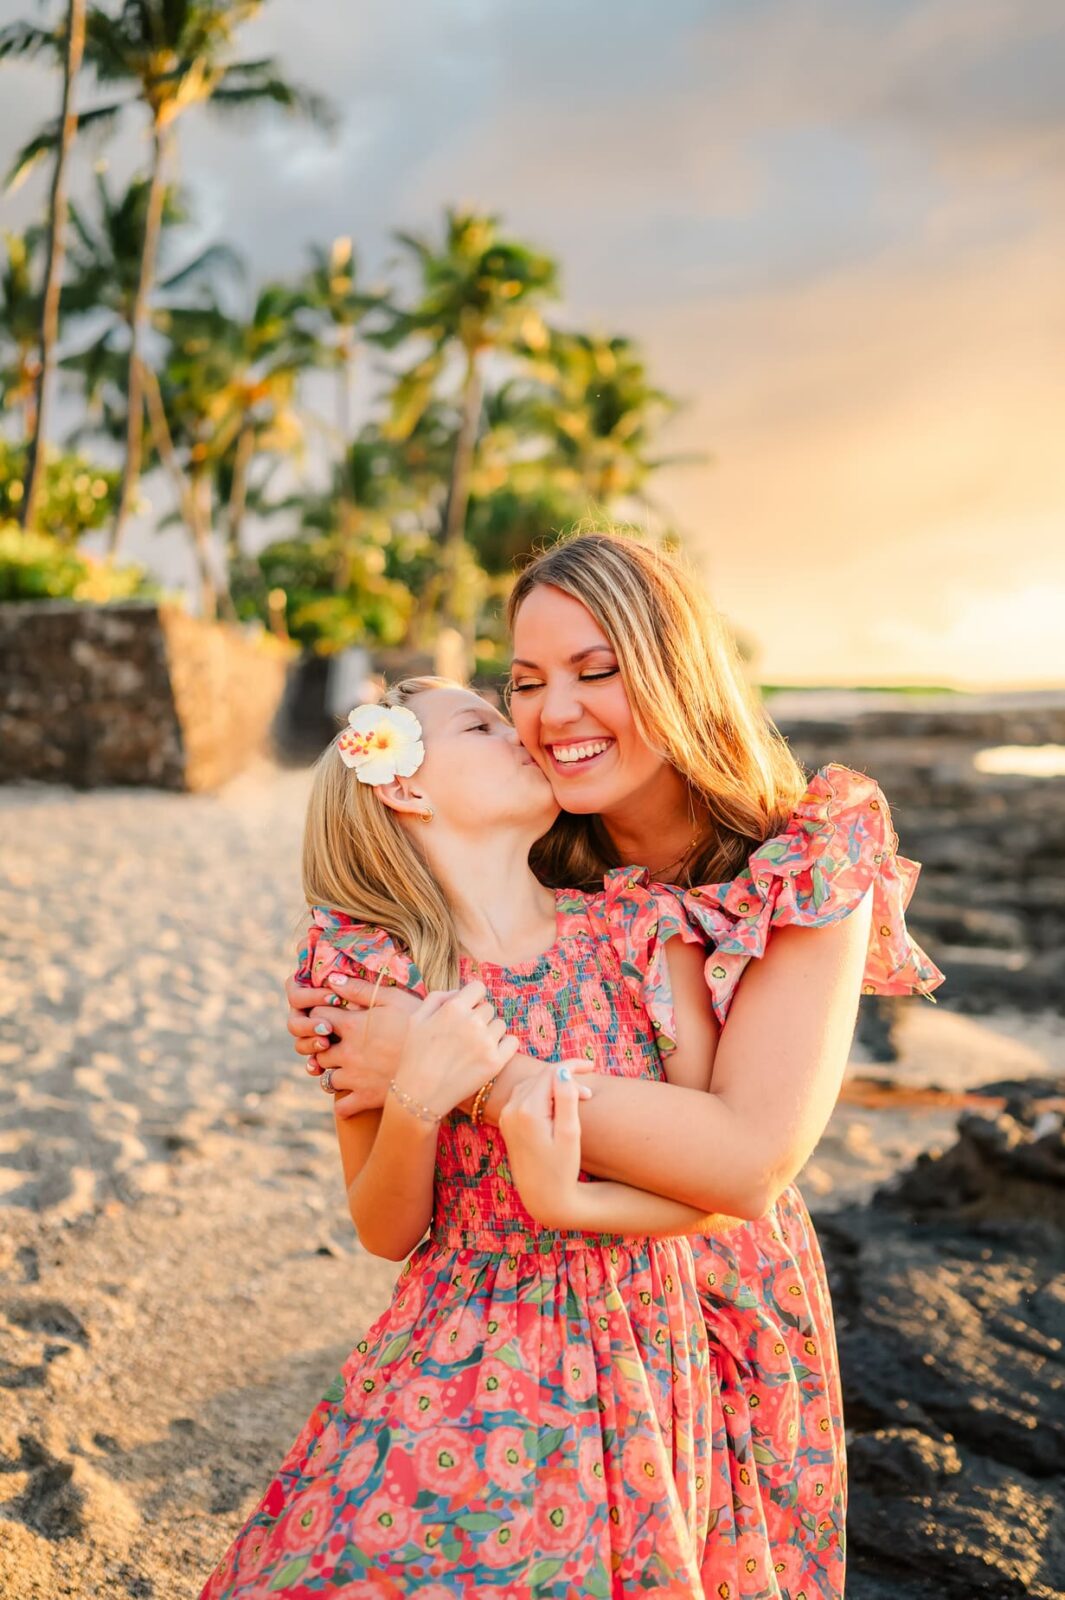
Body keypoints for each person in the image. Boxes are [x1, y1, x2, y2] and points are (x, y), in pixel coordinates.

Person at [286, 530, 944, 1600]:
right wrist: (354, 1018)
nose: (550, 715)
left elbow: (747, 1160)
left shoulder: (807, 860)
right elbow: (409, 921)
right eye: (526, 682)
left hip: (709, 1297)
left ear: (675, 669)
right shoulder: (534, 842)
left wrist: (464, 1065)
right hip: (504, 1318)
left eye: (599, 671)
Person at [203, 676, 757, 1599]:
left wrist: (568, 1201)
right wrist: (420, 1096)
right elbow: (385, 1232)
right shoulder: (372, 977)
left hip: (640, 1335)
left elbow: (718, 1186)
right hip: (456, 1340)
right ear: (406, 786)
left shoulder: (636, 934)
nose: (523, 734)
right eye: (481, 724)